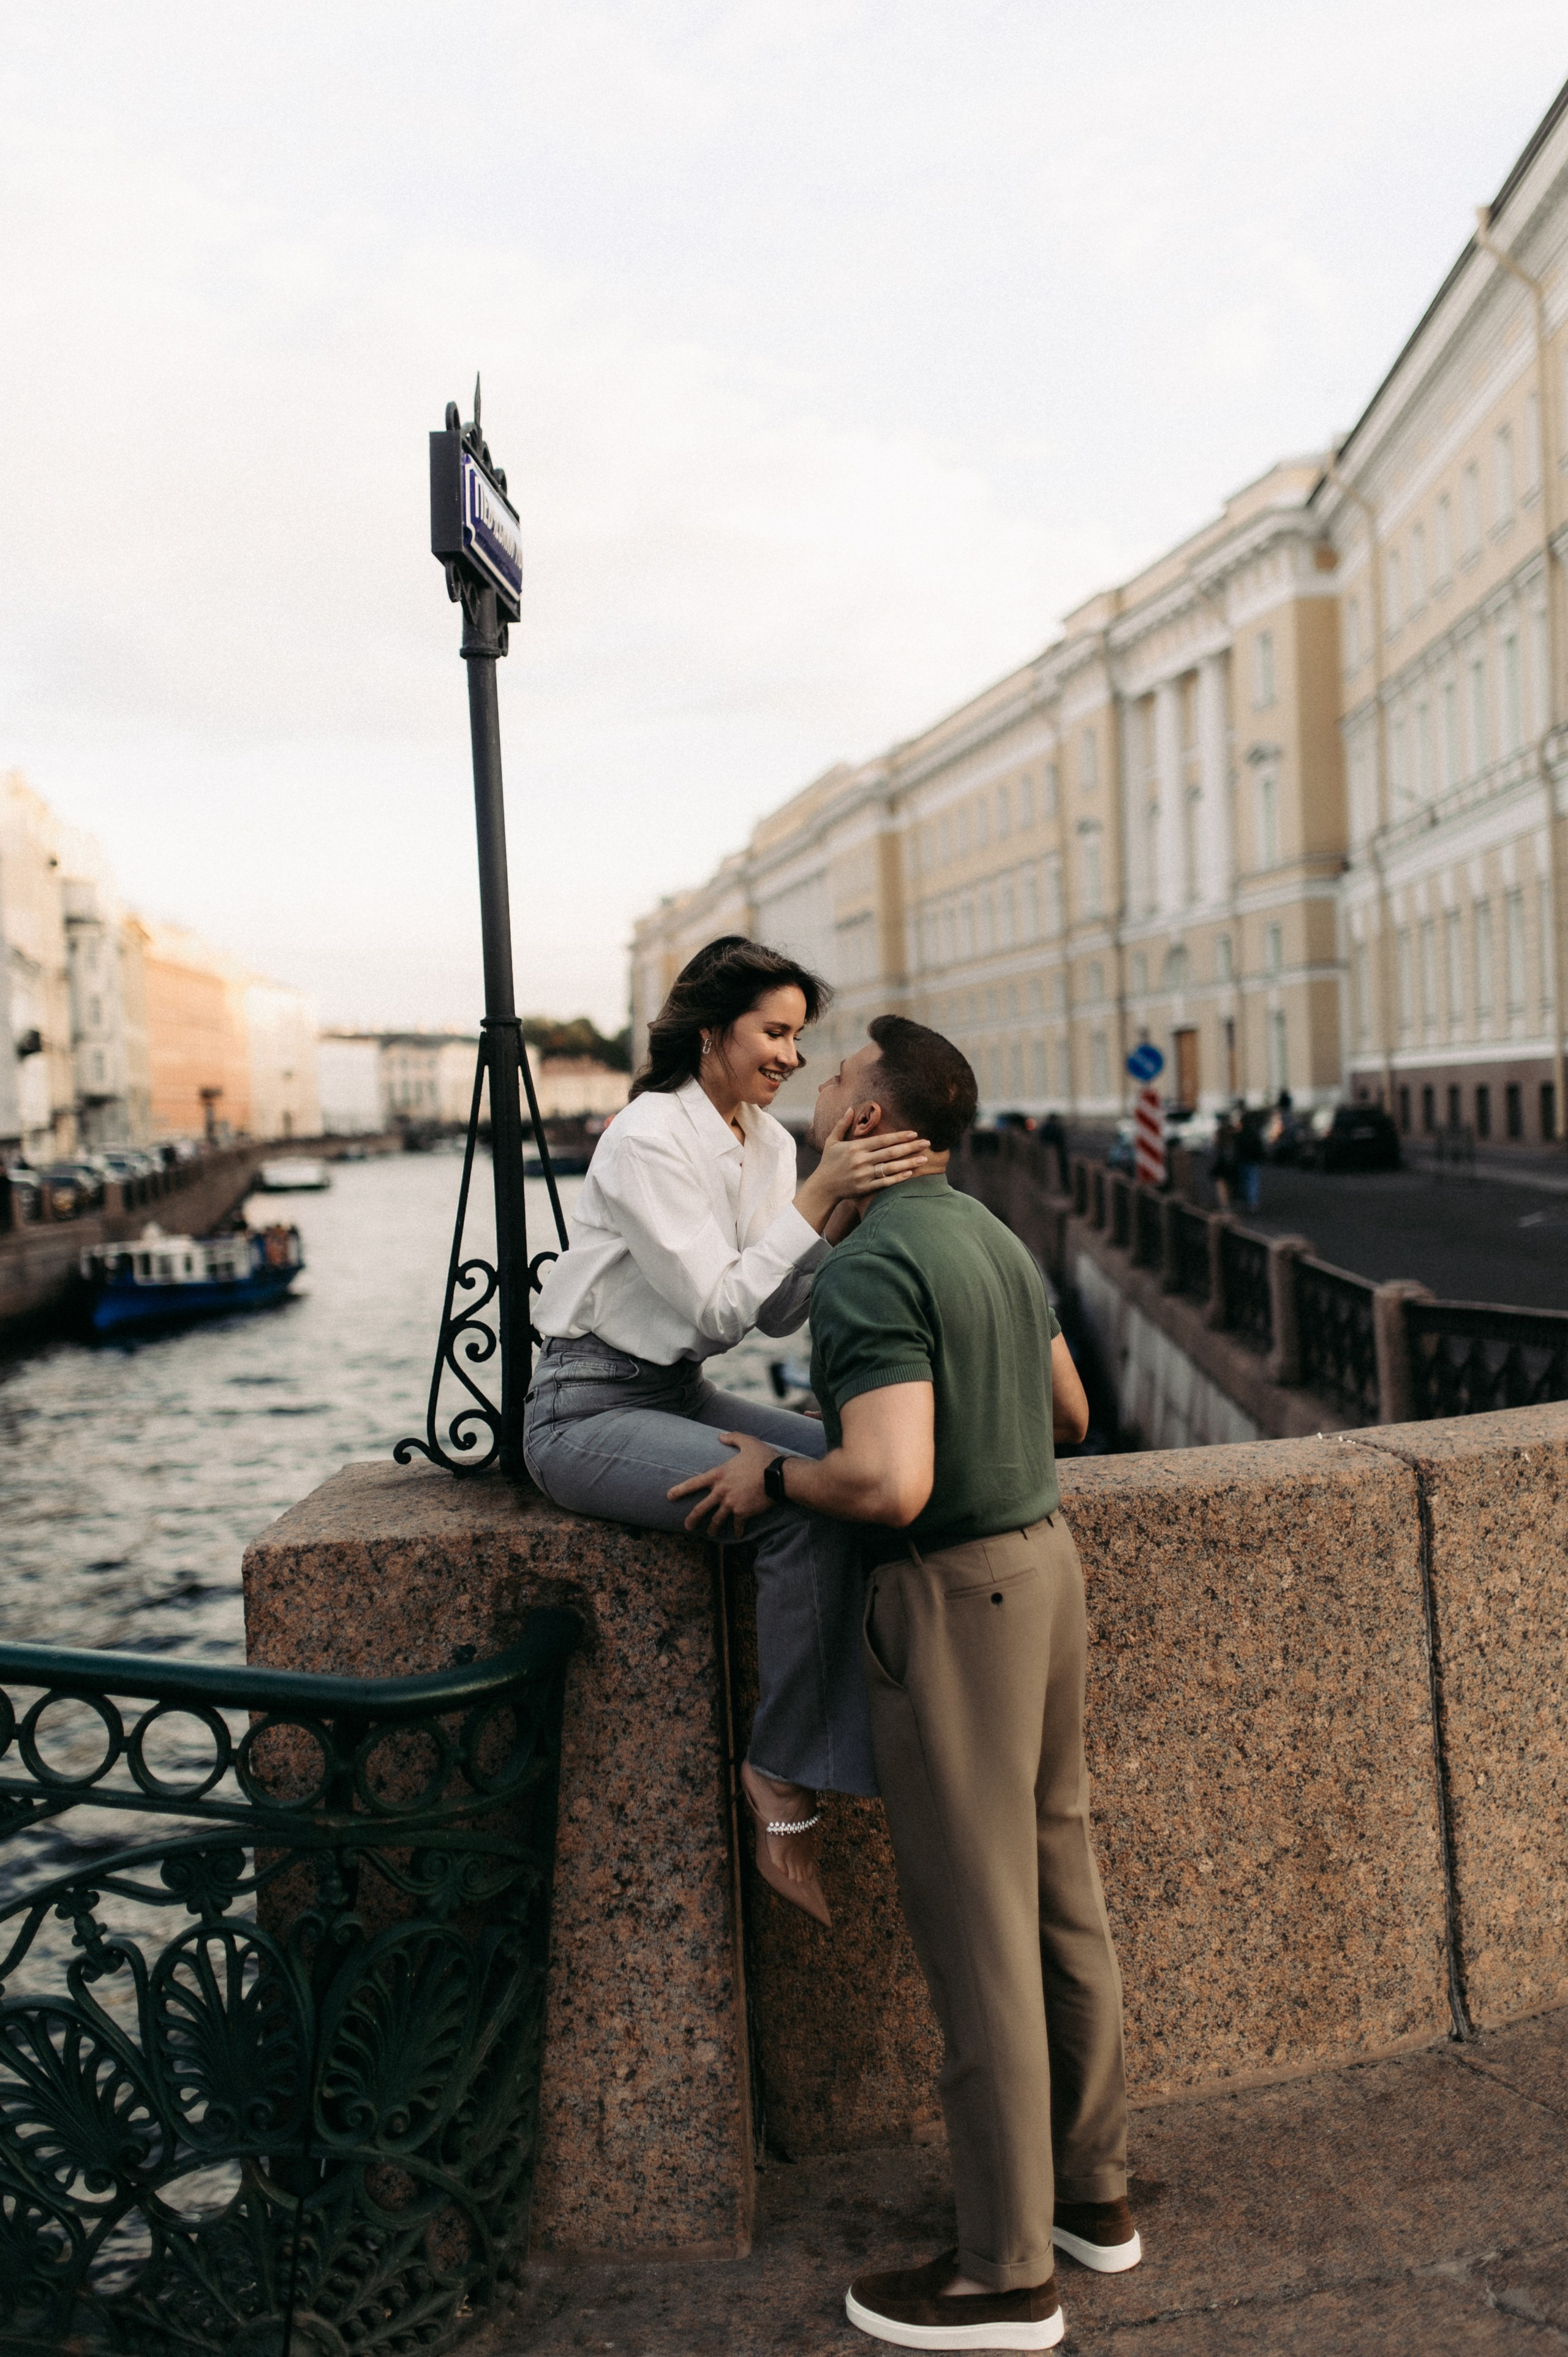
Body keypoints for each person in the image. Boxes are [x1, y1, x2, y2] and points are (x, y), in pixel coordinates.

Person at [671, 1014, 1137, 2354]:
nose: (817, 1085)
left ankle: (1002, 2275)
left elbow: (887, 1480)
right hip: (1045, 1574)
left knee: (976, 1931)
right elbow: (1067, 1417)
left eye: (837, 1078)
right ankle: (1090, 2199)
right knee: (1059, 1898)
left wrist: (773, 1472)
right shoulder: (990, 1235)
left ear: (870, 1124)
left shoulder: (871, 1263)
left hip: (952, 1605)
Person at [523, 936, 929, 1928]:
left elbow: (777, 1311)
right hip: (585, 1407)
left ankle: (882, 1727)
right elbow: (715, 1307)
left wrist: (863, 1220)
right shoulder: (645, 1137)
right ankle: (780, 1776)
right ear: (712, 1032)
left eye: (799, 1036)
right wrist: (821, 1200)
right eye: (774, 1032)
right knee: (797, 1514)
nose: (791, 1056)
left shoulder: (772, 1143)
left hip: (675, 1394)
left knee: (846, 1470)